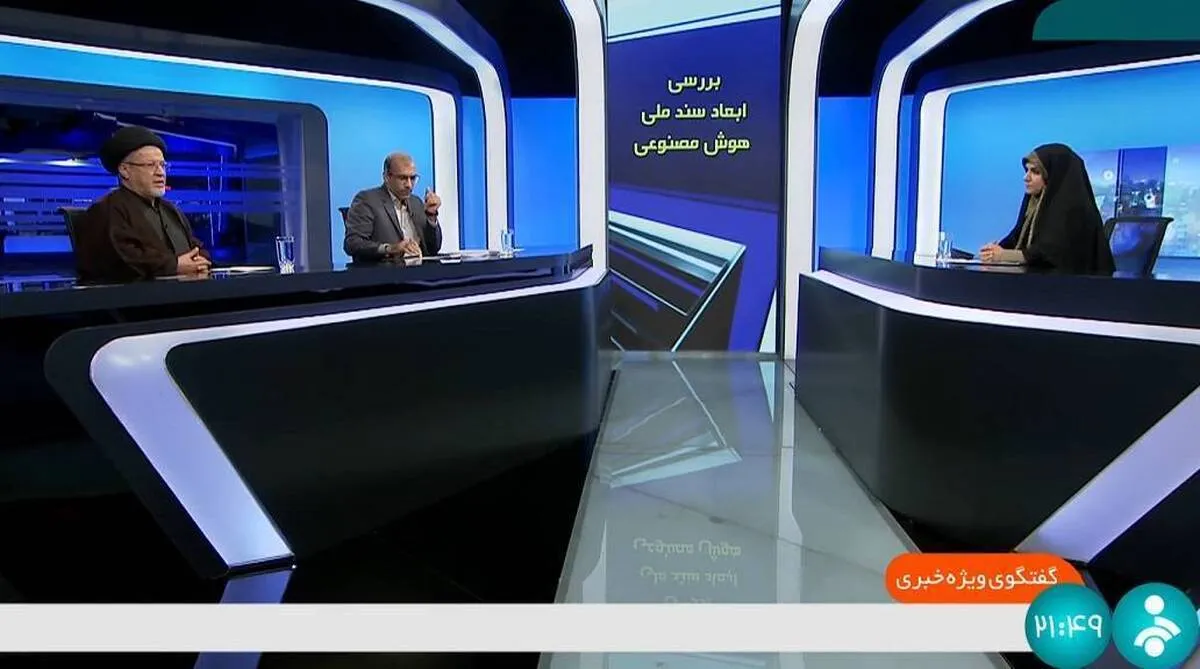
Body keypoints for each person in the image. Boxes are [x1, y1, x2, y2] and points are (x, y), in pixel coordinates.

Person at [74, 126, 211, 282]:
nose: (160, 173)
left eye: (162, 165)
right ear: (125, 170)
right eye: (151, 165)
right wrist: (174, 266)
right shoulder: (106, 210)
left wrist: (200, 260)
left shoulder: (170, 210)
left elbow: (195, 247)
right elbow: (121, 262)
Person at [979, 143, 1115, 275]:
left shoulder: (1074, 211)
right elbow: (1018, 238)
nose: (1026, 177)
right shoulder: (1035, 204)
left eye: (1035, 172)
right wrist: (994, 251)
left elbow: (1051, 254)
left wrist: (1004, 255)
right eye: (1027, 170)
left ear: (1053, 177)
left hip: (1071, 287)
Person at [343, 152, 442, 261]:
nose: (409, 185)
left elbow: (433, 248)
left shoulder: (416, 203)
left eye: (413, 178)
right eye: (403, 178)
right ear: (386, 177)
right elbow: (352, 243)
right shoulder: (367, 200)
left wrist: (431, 215)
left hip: (419, 269)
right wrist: (390, 248)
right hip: (385, 269)